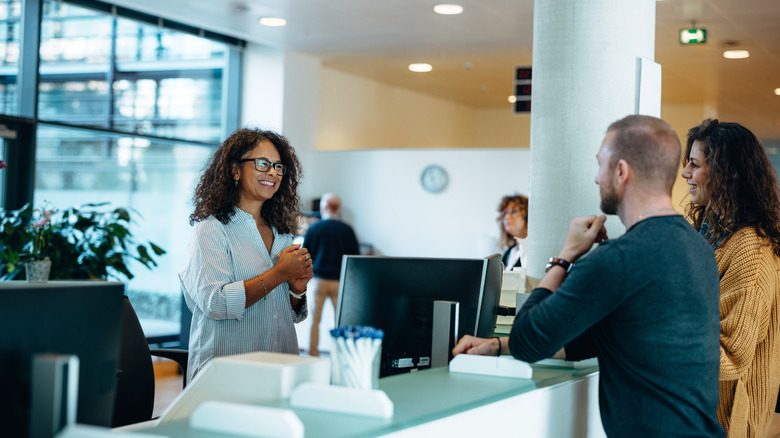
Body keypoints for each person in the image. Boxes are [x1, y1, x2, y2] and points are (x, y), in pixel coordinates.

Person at [453, 115, 724, 437]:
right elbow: (592, 340)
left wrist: (564, 257)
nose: (597, 178)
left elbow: (528, 340)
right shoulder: (697, 246)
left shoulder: (618, 259)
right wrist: (497, 346)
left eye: (601, 164)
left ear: (621, 171)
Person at [179, 128, 313, 382]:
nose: (273, 173)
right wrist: (278, 273)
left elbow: (287, 314)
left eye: (278, 167)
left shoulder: (282, 234)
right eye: (262, 164)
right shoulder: (211, 230)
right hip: (226, 375)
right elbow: (215, 303)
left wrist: (296, 289)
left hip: (280, 369)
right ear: (235, 170)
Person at [680, 119, 780, 437]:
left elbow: (730, 358)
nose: (685, 174)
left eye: (694, 165)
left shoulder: (749, 246)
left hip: (728, 424)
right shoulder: (714, 233)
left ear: (724, 172)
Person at [302, 193, 360, 356]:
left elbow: (306, 255)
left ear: (324, 207)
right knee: (340, 320)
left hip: (319, 281)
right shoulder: (347, 230)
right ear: (338, 208)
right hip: (339, 282)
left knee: (315, 320)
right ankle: (340, 353)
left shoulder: (314, 228)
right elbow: (354, 258)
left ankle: (312, 352)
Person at [497, 194, 529, 270]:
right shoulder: (508, 253)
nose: (506, 217)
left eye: (512, 211)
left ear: (527, 215)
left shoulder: (533, 251)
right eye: (504, 213)